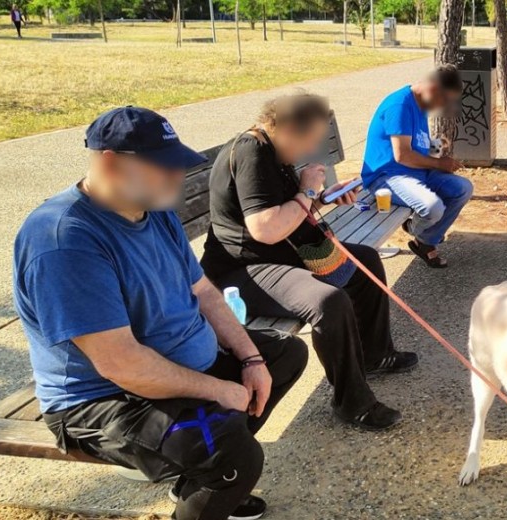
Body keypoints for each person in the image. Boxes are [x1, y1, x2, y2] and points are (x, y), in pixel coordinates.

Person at [13, 106, 310, 520]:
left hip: (166, 367)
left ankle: (199, 481)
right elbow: (122, 364)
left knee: (284, 355)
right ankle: (216, 477)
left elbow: (205, 293)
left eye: (178, 165)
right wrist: (221, 391)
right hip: (103, 398)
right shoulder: (64, 242)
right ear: (110, 163)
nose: (177, 177)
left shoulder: (154, 211)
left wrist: (250, 358)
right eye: (163, 167)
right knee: (236, 457)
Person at [201, 92, 417, 432]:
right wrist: (309, 192)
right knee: (328, 302)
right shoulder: (251, 152)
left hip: (280, 254)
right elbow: (266, 228)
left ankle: (375, 355)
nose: (308, 151)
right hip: (242, 269)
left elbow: (288, 215)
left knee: (365, 260)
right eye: (308, 141)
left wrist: (324, 199)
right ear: (284, 127)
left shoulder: (272, 149)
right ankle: (352, 403)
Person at [361, 66, 474, 268]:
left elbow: (418, 146)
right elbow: (402, 155)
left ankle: (424, 241)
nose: (445, 105)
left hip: (415, 173)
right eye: (445, 99)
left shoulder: (420, 105)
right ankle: (416, 230)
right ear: (433, 87)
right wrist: (440, 163)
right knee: (432, 207)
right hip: (387, 176)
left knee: (463, 188)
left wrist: (437, 149)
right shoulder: (400, 105)